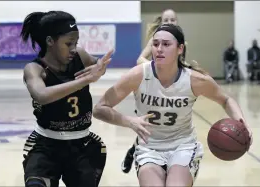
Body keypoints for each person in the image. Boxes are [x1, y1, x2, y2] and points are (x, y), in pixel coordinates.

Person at [92, 24, 252, 186]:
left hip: (182, 146)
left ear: (180, 49)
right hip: (149, 148)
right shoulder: (138, 75)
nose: (159, 49)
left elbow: (225, 99)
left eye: (166, 44)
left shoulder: (195, 80)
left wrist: (242, 124)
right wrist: (129, 121)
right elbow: (99, 108)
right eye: (155, 44)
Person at [21, 10, 113, 187]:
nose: (73, 48)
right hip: (46, 145)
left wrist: (100, 68)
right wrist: (85, 81)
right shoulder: (34, 69)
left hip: (82, 145)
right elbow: (41, 96)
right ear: (50, 41)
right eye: (68, 43)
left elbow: (95, 67)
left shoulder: (79, 55)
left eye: (76, 43)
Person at [122, 8, 187, 174]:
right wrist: (155, 67)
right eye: (167, 20)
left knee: (166, 124)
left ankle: (173, 155)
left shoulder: (179, 41)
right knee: (149, 125)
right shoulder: (155, 39)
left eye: (173, 20)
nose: (170, 22)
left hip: (171, 87)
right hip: (151, 85)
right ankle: (135, 150)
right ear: (161, 21)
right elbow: (139, 59)